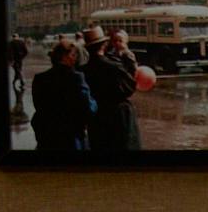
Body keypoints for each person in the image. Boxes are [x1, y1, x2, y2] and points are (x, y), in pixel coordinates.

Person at [28, 36, 94, 159]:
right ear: (66, 56)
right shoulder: (76, 78)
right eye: (74, 54)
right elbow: (88, 107)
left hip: (46, 135)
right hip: (71, 137)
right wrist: (94, 103)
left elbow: (38, 105)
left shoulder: (40, 78)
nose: (75, 58)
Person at [80, 25, 141, 156]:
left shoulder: (82, 70)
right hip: (118, 116)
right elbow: (129, 87)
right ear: (104, 45)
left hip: (96, 118)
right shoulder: (113, 66)